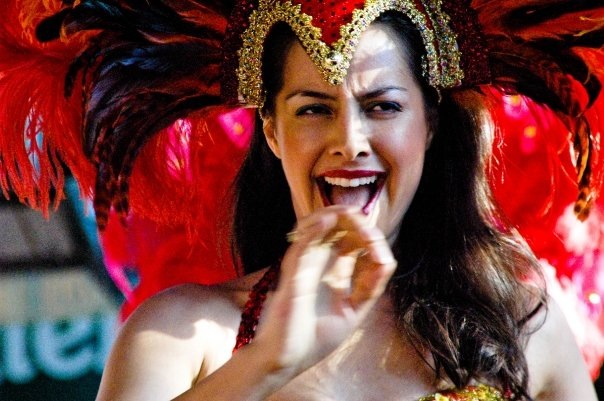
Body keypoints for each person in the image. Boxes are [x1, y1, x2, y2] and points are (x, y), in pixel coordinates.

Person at [0, 0, 603, 400]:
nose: (349, 141)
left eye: (382, 107)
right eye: (314, 109)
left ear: (430, 126)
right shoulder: (182, 334)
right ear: (271, 132)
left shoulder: (522, 322)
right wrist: (267, 362)